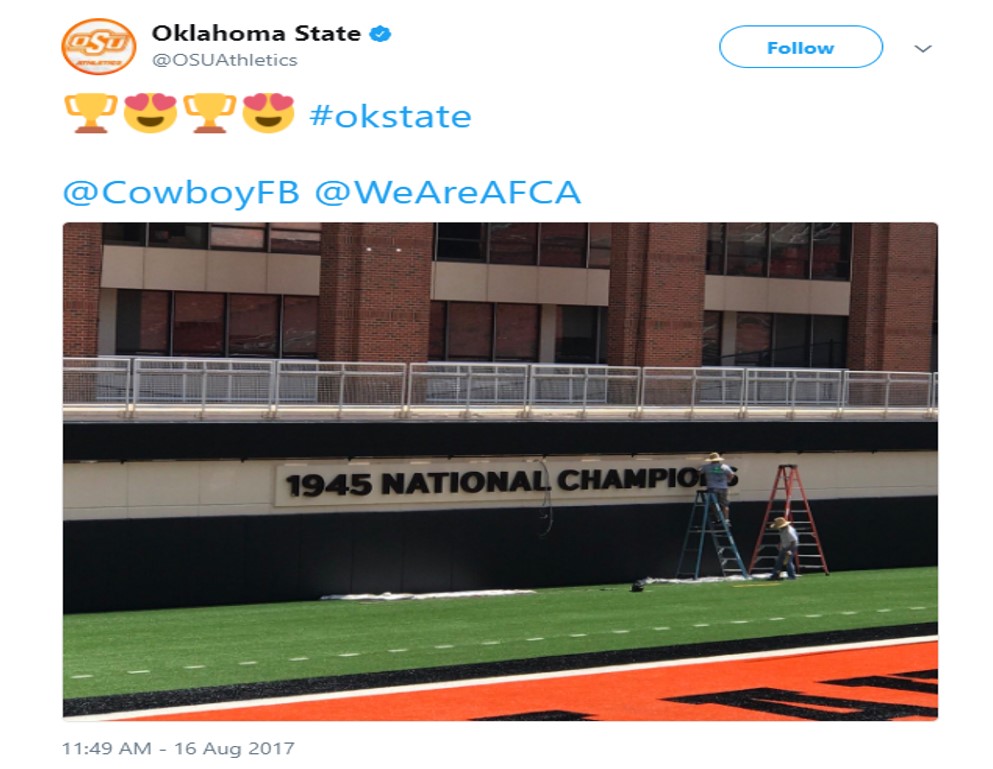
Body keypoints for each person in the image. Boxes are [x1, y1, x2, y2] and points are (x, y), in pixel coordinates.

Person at [699, 452, 736, 523]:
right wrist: (728, 481)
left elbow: (699, 472)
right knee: (724, 504)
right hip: (723, 487)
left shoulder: (706, 467)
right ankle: (726, 519)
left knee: (714, 504)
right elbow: (731, 474)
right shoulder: (725, 466)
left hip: (712, 487)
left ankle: (718, 518)